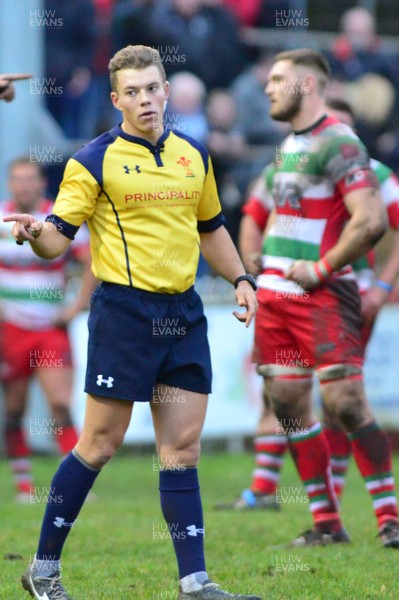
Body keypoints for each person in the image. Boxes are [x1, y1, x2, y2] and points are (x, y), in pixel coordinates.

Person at [5, 45, 259, 600]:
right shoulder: (91, 160)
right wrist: (34, 233)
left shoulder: (195, 154)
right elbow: (57, 236)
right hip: (124, 314)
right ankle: (43, 570)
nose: (145, 99)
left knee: (182, 449)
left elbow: (211, 227)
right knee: (98, 444)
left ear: (166, 90)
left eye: (153, 88)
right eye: (133, 92)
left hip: (184, 313)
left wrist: (242, 279)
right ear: (116, 99)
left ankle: (194, 582)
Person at [217, 48, 399, 548]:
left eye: (278, 79)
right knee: (290, 406)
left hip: (321, 296)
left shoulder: (339, 143)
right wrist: (255, 259)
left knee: (345, 402)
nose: (268, 88)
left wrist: (321, 269)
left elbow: (373, 221)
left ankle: (389, 518)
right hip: (274, 297)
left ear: (308, 85)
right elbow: (262, 214)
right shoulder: (288, 147)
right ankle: (327, 524)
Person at [0, 157, 95, 502]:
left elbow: (90, 263)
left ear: (42, 183)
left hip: (50, 329)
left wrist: (75, 306)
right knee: (13, 409)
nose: (23, 185)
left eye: (30, 179)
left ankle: (75, 487)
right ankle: (24, 485)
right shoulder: (1, 216)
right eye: (17, 179)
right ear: (10, 184)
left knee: (59, 404)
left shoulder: (59, 218)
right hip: (10, 328)